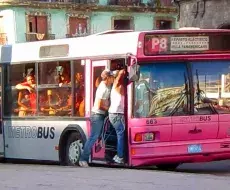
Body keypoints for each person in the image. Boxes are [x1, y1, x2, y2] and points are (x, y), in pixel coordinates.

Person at [79, 69, 114, 167]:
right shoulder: (102, 88)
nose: (113, 79)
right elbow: (99, 105)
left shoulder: (108, 86)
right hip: (97, 115)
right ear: (107, 78)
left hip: (102, 115)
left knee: (99, 135)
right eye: (112, 77)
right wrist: (109, 109)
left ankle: (102, 148)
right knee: (93, 137)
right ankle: (83, 159)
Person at [108, 69, 126, 164]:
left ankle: (117, 155)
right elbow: (120, 76)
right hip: (116, 114)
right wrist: (123, 70)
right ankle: (120, 156)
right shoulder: (116, 84)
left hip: (115, 114)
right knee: (121, 135)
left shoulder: (121, 86)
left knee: (119, 135)